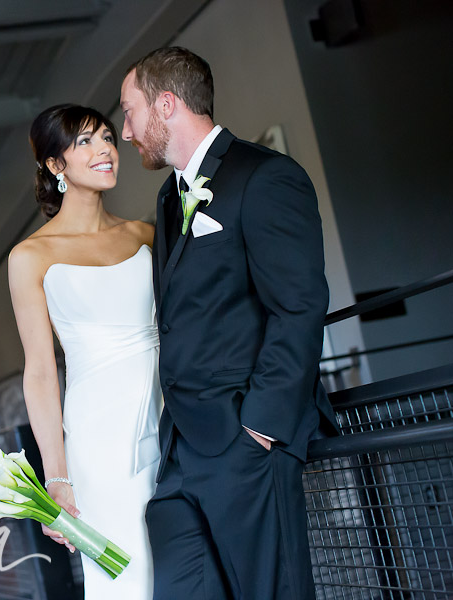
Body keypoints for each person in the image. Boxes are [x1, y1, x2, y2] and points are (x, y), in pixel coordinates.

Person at [119, 46, 339, 599]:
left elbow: (299, 306)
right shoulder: (170, 199)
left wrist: (261, 425)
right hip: (183, 451)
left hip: (246, 440)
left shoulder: (266, 177)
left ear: (166, 105)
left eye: (130, 111)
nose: (125, 132)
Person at [7, 104, 161, 598]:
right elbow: (39, 372)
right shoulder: (30, 256)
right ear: (56, 165)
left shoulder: (144, 235)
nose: (105, 151)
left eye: (108, 138)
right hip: (99, 437)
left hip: (173, 413)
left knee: (189, 560)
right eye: (85, 142)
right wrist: (57, 476)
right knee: (127, 573)